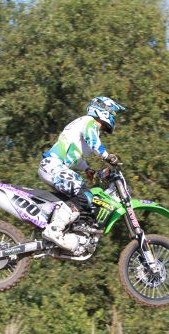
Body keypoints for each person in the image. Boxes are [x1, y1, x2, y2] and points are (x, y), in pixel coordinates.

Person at [38, 96, 125, 251]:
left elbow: (74, 154)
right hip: (53, 166)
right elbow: (94, 142)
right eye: (112, 113)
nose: (113, 117)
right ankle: (55, 229)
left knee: (79, 195)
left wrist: (87, 169)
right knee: (85, 195)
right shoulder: (89, 122)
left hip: (53, 166)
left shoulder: (81, 124)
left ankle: (65, 230)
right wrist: (107, 156)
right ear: (104, 110)